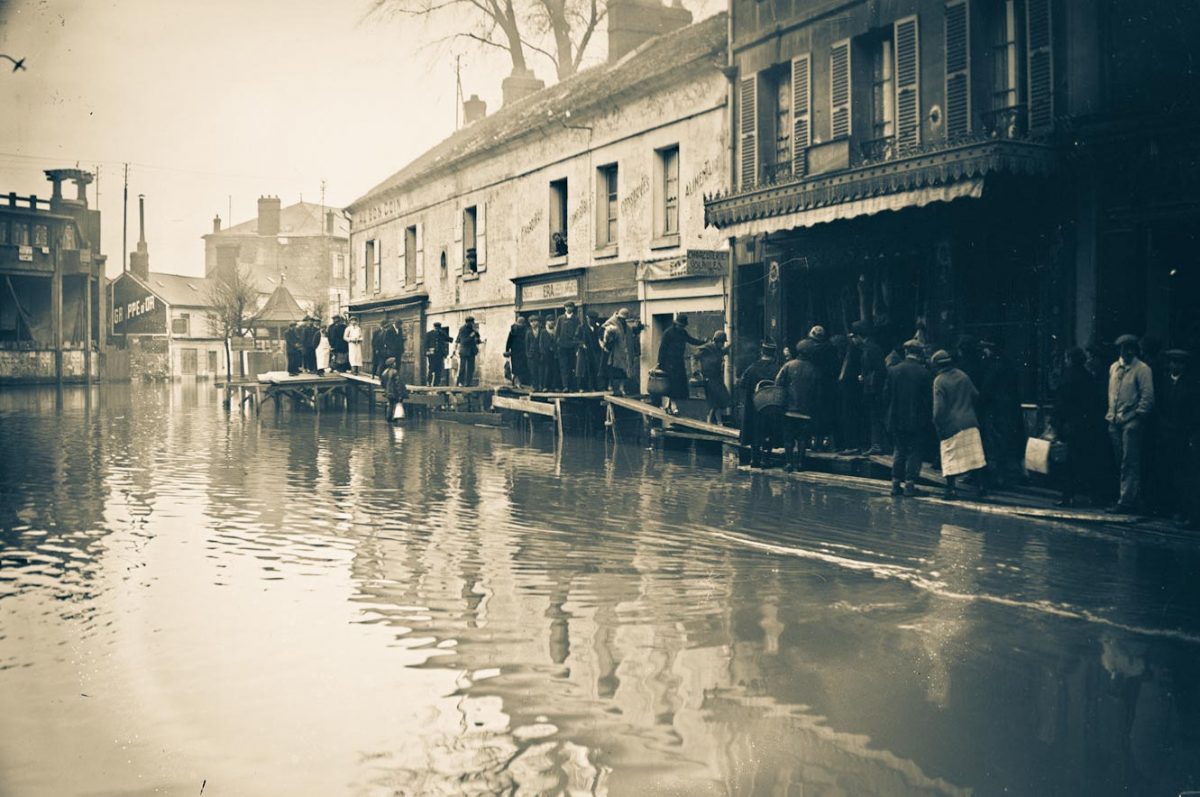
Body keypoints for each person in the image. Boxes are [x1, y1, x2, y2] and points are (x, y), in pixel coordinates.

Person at [1105, 334, 1155, 513]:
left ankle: (1126, 500)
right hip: (1114, 420)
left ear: (1134, 350)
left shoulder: (1142, 369)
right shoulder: (1114, 367)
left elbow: (1147, 396)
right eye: (1122, 349)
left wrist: (1138, 416)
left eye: (1129, 348)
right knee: (1120, 461)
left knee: (1129, 461)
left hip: (1131, 421)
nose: (1125, 352)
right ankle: (1130, 496)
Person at [1052, 347, 1106, 506]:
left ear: (1070, 359)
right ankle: (1093, 496)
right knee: (1087, 461)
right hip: (1086, 425)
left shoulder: (1067, 377)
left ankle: (1067, 496)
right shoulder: (1088, 377)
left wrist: (1056, 423)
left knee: (1069, 463)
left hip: (1070, 425)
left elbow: (1061, 403)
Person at [931, 349, 988, 500]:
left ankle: (950, 490)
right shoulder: (963, 376)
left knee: (949, 457)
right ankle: (982, 487)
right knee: (976, 457)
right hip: (970, 421)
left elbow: (938, 409)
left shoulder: (939, 381)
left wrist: (938, 424)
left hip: (951, 424)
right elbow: (976, 395)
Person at [885, 339, 933, 496]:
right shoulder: (924, 373)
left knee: (899, 450)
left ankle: (895, 484)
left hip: (896, 418)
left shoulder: (893, 371)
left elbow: (886, 395)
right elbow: (928, 400)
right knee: (915, 451)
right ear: (920, 354)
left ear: (906, 352)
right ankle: (910, 485)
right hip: (917, 419)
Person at [1154, 349, 1193, 523]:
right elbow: (1158, 407)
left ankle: (1180, 508)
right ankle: (1165, 507)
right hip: (1165, 433)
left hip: (1181, 434)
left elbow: (1192, 412)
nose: (1176, 366)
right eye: (1173, 362)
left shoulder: (1189, 386)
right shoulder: (1164, 383)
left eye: (1180, 363)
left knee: (1180, 474)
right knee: (1164, 471)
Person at [775, 338, 822, 472]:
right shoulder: (814, 369)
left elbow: (778, 384)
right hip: (806, 411)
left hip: (789, 410)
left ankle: (789, 463)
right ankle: (801, 464)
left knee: (788, 438)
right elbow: (817, 392)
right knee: (802, 439)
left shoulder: (788, 366)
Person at [738, 340, 781, 467]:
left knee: (754, 430)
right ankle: (765, 459)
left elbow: (742, 384)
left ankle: (754, 459)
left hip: (754, 407)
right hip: (771, 406)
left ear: (762, 352)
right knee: (769, 430)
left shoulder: (752, 368)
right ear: (774, 353)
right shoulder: (778, 369)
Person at [657, 313, 704, 415]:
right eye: (680, 325)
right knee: (671, 385)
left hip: (678, 362)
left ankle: (668, 406)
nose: (681, 327)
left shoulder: (683, 332)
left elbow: (691, 340)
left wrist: (703, 342)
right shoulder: (668, 333)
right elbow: (662, 349)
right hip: (669, 363)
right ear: (676, 324)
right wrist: (660, 363)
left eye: (683, 326)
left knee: (677, 385)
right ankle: (673, 406)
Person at [856, 322, 888, 454]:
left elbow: (878, 370)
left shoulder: (870, 349)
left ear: (859, 336)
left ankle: (877, 445)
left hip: (873, 388)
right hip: (873, 387)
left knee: (876, 416)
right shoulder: (871, 348)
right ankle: (879, 444)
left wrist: (865, 378)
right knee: (876, 416)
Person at [806, 325, 839, 450]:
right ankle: (828, 443)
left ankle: (815, 443)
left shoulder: (812, 350)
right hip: (829, 386)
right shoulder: (831, 348)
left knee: (815, 414)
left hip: (815, 385)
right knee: (827, 414)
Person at [695, 330, 731, 425]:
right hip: (709, 378)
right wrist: (696, 372)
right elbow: (694, 357)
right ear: (717, 341)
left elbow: (721, 352)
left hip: (717, 378)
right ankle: (714, 421)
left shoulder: (718, 350)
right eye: (722, 342)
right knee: (715, 400)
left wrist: (729, 347)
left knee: (717, 401)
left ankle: (716, 421)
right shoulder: (706, 348)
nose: (722, 344)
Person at [601, 308, 633, 396]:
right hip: (614, 351)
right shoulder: (611, 323)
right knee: (614, 370)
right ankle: (612, 387)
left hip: (624, 351)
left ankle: (622, 388)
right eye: (621, 318)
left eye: (624, 319)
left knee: (624, 371)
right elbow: (603, 333)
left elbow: (628, 335)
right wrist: (609, 335)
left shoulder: (627, 327)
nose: (622, 320)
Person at [554, 301, 584, 392]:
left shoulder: (576, 319)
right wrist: (557, 343)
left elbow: (579, 332)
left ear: (573, 308)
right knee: (564, 366)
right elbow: (557, 332)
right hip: (562, 347)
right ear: (565, 308)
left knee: (572, 366)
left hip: (572, 347)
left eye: (570, 307)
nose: (568, 308)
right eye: (567, 307)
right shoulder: (560, 318)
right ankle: (565, 386)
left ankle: (572, 387)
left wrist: (576, 343)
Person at [505, 316, 531, 388]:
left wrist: (507, 350)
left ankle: (517, 383)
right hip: (519, 351)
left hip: (517, 351)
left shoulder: (514, 330)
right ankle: (517, 383)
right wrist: (507, 350)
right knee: (519, 368)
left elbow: (509, 342)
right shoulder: (523, 330)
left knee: (517, 368)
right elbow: (509, 341)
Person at [381, 357, 407, 422]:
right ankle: (394, 417)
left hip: (388, 391)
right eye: (394, 362)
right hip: (394, 392)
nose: (395, 364)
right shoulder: (395, 372)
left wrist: (386, 389)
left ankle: (388, 417)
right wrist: (400, 393)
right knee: (395, 404)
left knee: (390, 404)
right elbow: (398, 383)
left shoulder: (384, 372)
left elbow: (382, 383)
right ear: (392, 364)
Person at [456, 316, 480, 386]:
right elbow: (463, 341)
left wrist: (477, 338)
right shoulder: (462, 329)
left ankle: (468, 383)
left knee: (471, 368)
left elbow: (477, 338)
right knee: (462, 368)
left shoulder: (472, 329)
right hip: (464, 351)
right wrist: (472, 335)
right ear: (468, 322)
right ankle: (460, 382)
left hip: (471, 351)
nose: (473, 324)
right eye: (472, 322)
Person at [380, 317, 405, 381]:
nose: (400, 326)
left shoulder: (400, 329)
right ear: (395, 323)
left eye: (400, 325)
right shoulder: (389, 330)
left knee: (398, 364)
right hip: (391, 351)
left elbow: (400, 339)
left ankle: (396, 378)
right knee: (391, 364)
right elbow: (386, 340)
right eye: (399, 324)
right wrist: (392, 347)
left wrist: (402, 348)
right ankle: (387, 378)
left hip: (399, 351)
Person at [543, 318, 562, 391]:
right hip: (547, 354)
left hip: (555, 353)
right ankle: (546, 386)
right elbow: (541, 343)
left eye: (552, 321)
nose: (551, 323)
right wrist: (544, 351)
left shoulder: (556, 331)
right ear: (546, 323)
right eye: (549, 321)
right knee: (547, 370)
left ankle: (555, 386)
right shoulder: (544, 331)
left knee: (556, 370)